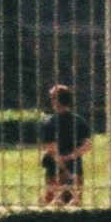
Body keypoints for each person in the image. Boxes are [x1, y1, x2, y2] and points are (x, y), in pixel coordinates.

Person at [40, 78, 86, 206]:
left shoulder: (50, 123)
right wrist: (72, 156)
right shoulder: (79, 121)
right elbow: (87, 144)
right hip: (76, 167)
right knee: (75, 202)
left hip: (55, 169)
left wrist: (64, 169)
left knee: (52, 203)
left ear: (55, 101)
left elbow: (52, 149)